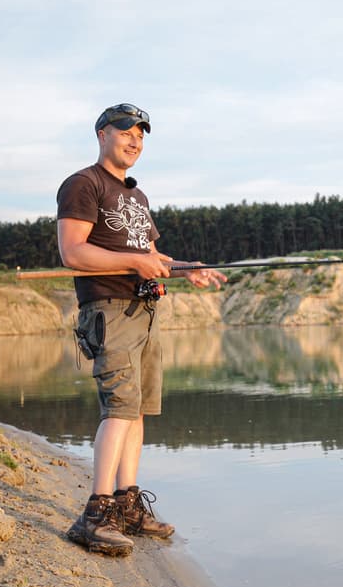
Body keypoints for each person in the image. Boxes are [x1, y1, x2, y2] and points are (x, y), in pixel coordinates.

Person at [56, 103, 226, 556]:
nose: (135, 140)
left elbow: (152, 253)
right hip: (108, 310)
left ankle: (128, 504)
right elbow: (72, 253)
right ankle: (95, 513)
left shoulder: (137, 196)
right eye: (127, 131)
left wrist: (184, 267)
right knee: (119, 409)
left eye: (141, 135)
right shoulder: (83, 184)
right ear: (102, 134)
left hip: (146, 310)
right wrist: (135, 261)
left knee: (138, 410)